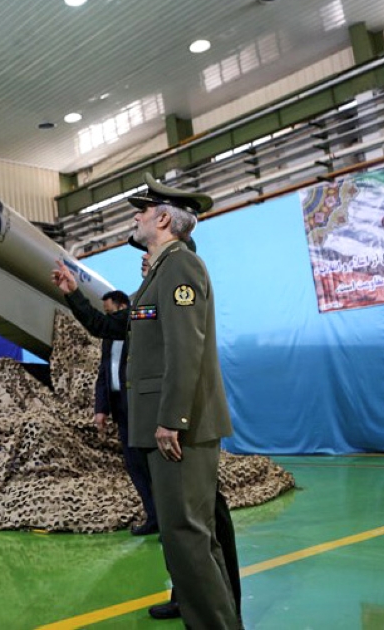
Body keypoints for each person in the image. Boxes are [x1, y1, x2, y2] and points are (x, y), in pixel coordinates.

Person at [52, 172, 239, 629]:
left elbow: (185, 347)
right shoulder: (159, 272)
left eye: (142, 210)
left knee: (188, 536)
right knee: (188, 535)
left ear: (161, 218)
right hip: (163, 425)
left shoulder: (180, 267)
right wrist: (75, 297)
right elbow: (118, 329)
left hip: (179, 426)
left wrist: (172, 419)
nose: (135, 217)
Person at [94, 289, 159, 536]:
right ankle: (153, 517)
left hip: (140, 405)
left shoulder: (139, 327)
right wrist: (101, 408)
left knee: (152, 465)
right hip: (120, 406)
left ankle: (169, 521)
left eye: (109, 310)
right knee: (134, 465)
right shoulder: (109, 336)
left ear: (123, 307)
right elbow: (104, 371)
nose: (106, 316)